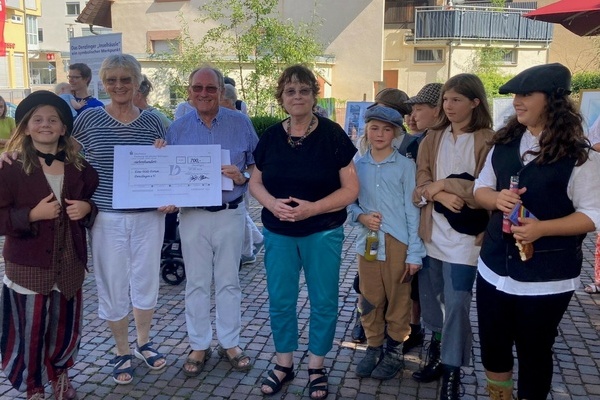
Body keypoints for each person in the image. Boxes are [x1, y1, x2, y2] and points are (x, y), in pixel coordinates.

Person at [473, 63, 600, 400]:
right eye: (516, 94)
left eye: (527, 94)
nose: (517, 101)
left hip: (547, 276)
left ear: (553, 100)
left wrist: (543, 228)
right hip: (494, 267)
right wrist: (495, 198)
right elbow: (479, 189)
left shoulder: (579, 157)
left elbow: (593, 214)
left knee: (534, 352)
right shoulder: (503, 144)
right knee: (493, 346)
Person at [249, 64, 358, 399]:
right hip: (278, 233)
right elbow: (255, 183)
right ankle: (284, 364)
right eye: (290, 91)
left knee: (323, 300)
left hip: (322, 232)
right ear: (282, 97)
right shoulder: (270, 137)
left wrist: (314, 208)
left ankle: (316, 366)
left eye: (304, 90)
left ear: (314, 96)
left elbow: (351, 189)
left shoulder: (333, 135)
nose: (297, 96)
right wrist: (271, 204)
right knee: (281, 300)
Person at [71, 54, 174, 385]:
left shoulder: (155, 122)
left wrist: (164, 157)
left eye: (126, 79)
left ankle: (144, 342)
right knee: (112, 282)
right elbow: (65, 154)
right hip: (107, 217)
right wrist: (18, 152)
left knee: (146, 280)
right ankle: (121, 350)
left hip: (148, 217)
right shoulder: (88, 119)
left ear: (137, 82)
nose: (119, 86)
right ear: (103, 83)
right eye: (112, 80)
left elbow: (174, 166)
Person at [0, 90, 99, 400]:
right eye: (38, 119)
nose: (45, 124)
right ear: (27, 128)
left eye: (53, 119)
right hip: (29, 266)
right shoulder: (10, 168)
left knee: (64, 326)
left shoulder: (79, 168)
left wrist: (87, 208)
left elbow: (91, 199)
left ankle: (60, 375)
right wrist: (31, 215)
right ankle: (34, 385)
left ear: (63, 128)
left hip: (69, 265)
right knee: (30, 330)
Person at [166, 66, 258, 377]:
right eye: (197, 88)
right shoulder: (177, 129)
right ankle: (199, 344)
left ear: (221, 91)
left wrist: (242, 176)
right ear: (189, 91)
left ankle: (230, 343)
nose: (203, 93)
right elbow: (167, 173)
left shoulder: (240, 122)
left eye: (210, 88)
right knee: (196, 282)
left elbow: (257, 166)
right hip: (192, 216)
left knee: (229, 281)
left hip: (230, 213)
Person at [412, 73, 494, 400]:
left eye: (456, 99)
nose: (449, 105)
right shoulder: (432, 138)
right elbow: (420, 186)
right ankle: (436, 349)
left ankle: (452, 370)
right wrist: (439, 194)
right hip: (432, 234)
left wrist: (445, 184)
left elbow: (486, 189)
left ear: (475, 102)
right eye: (446, 99)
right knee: (432, 302)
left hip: (466, 239)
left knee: (457, 303)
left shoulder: (489, 140)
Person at [350, 105, 425, 380]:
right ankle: (373, 346)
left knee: (398, 299)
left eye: (386, 129)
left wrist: (414, 253)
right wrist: (361, 216)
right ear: (366, 131)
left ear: (395, 133)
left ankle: (394, 349)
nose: (379, 134)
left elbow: (413, 212)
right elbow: (348, 204)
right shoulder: (357, 167)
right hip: (368, 244)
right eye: (374, 128)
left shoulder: (405, 167)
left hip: (398, 243)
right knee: (370, 297)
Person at [221, 83, 264, 264]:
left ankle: (247, 251)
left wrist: (244, 176)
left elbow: (255, 158)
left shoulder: (240, 120)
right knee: (243, 215)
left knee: (243, 212)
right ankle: (256, 241)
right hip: (225, 185)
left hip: (240, 182)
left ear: (227, 101)